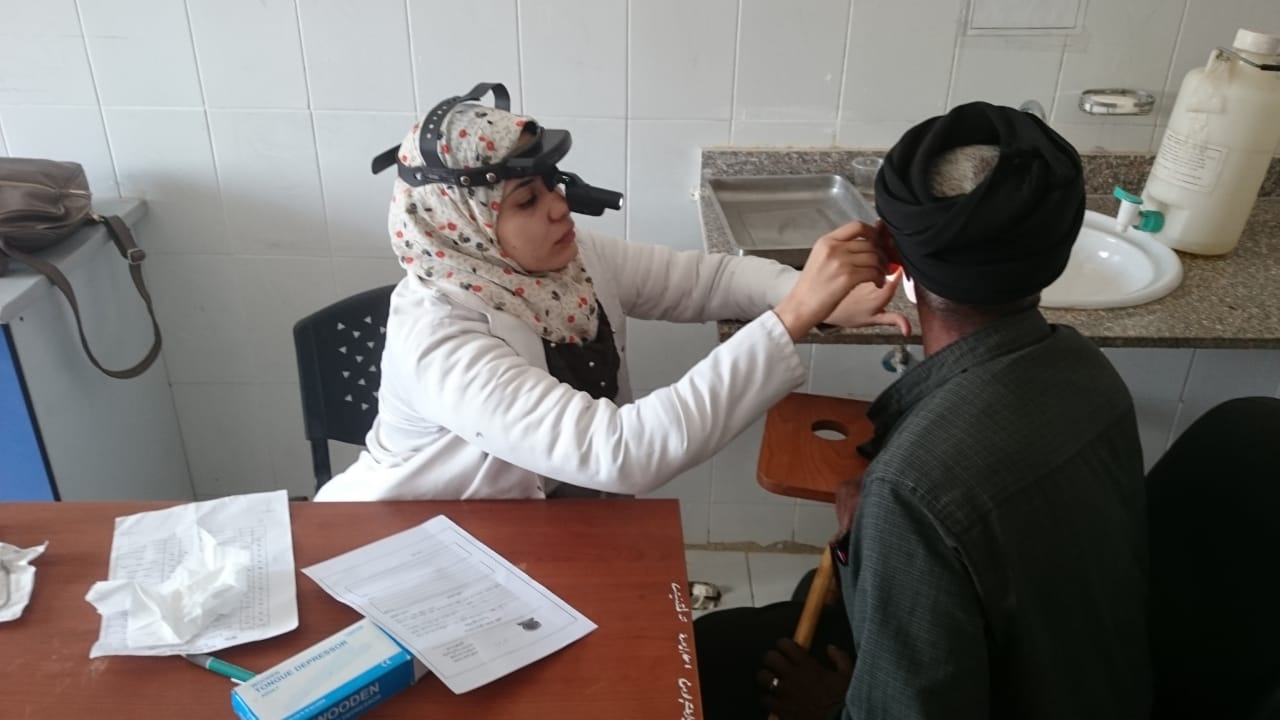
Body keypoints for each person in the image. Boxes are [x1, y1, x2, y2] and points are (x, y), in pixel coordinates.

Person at [695, 101, 1151, 720]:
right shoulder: (1088, 371)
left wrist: (829, 707)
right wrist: (873, 537)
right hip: (1089, 677)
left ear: (892, 254)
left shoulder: (911, 491)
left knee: (708, 662)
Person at [314, 83, 908, 501]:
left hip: (544, 520)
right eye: (526, 201)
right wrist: (794, 315)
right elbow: (621, 452)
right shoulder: (442, 340)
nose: (559, 208)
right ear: (463, 227)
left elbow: (705, 280)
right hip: (412, 536)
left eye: (551, 185)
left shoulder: (565, 263)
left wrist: (813, 293)